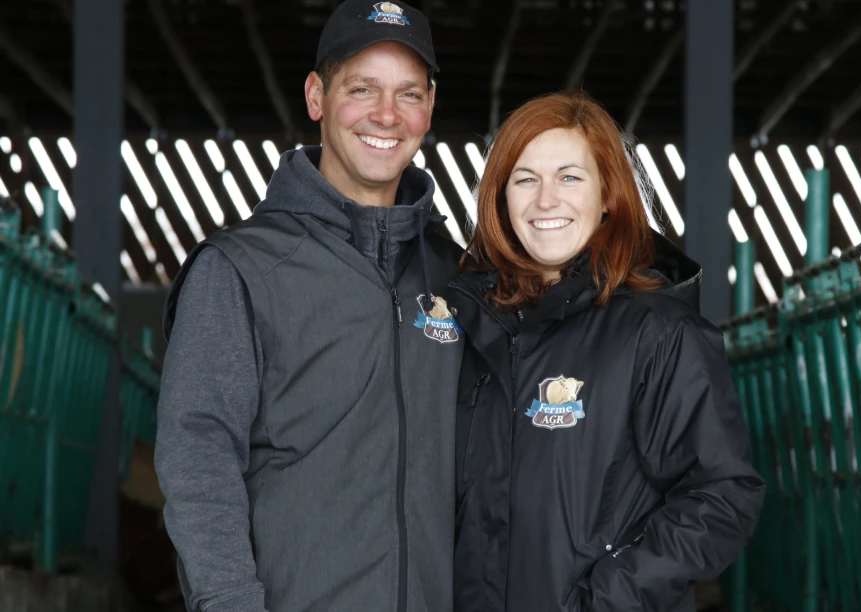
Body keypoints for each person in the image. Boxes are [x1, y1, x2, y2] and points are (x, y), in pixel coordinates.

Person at [155, 2, 464, 611]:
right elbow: (198, 458)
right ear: (316, 96)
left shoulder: (457, 278)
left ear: (430, 107)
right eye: (362, 88)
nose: (386, 115)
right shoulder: (240, 268)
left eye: (408, 93)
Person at [447, 92, 765, 612]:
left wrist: (605, 600)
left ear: (608, 195)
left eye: (570, 177)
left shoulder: (659, 331)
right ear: (501, 197)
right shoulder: (469, 327)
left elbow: (723, 494)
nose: (546, 200)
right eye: (526, 179)